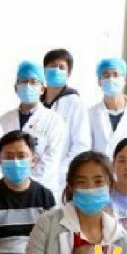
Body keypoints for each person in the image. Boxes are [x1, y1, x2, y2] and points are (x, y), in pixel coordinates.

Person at [0, 61, 67, 201]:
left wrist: (26, 184)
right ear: (16, 87)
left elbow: (51, 160)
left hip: (42, 190)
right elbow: (2, 156)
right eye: (23, 81)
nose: (28, 86)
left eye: (33, 82)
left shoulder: (54, 120)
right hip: (8, 190)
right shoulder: (4, 120)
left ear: (42, 89)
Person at [42, 48, 91, 183]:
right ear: (44, 71)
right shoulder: (37, 103)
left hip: (61, 178)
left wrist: (60, 172)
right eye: (52, 66)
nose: (56, 70)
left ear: (68, 73)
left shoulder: (75, 103)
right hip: (35, 176)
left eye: (61, 67)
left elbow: (81, 146)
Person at [89, 57, 127, 157]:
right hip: (100, 166)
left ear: (124, 80)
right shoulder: (90, 114)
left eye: (115, 75)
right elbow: (86, 150)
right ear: (99, 81)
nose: (111, 79)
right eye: (106, 75)